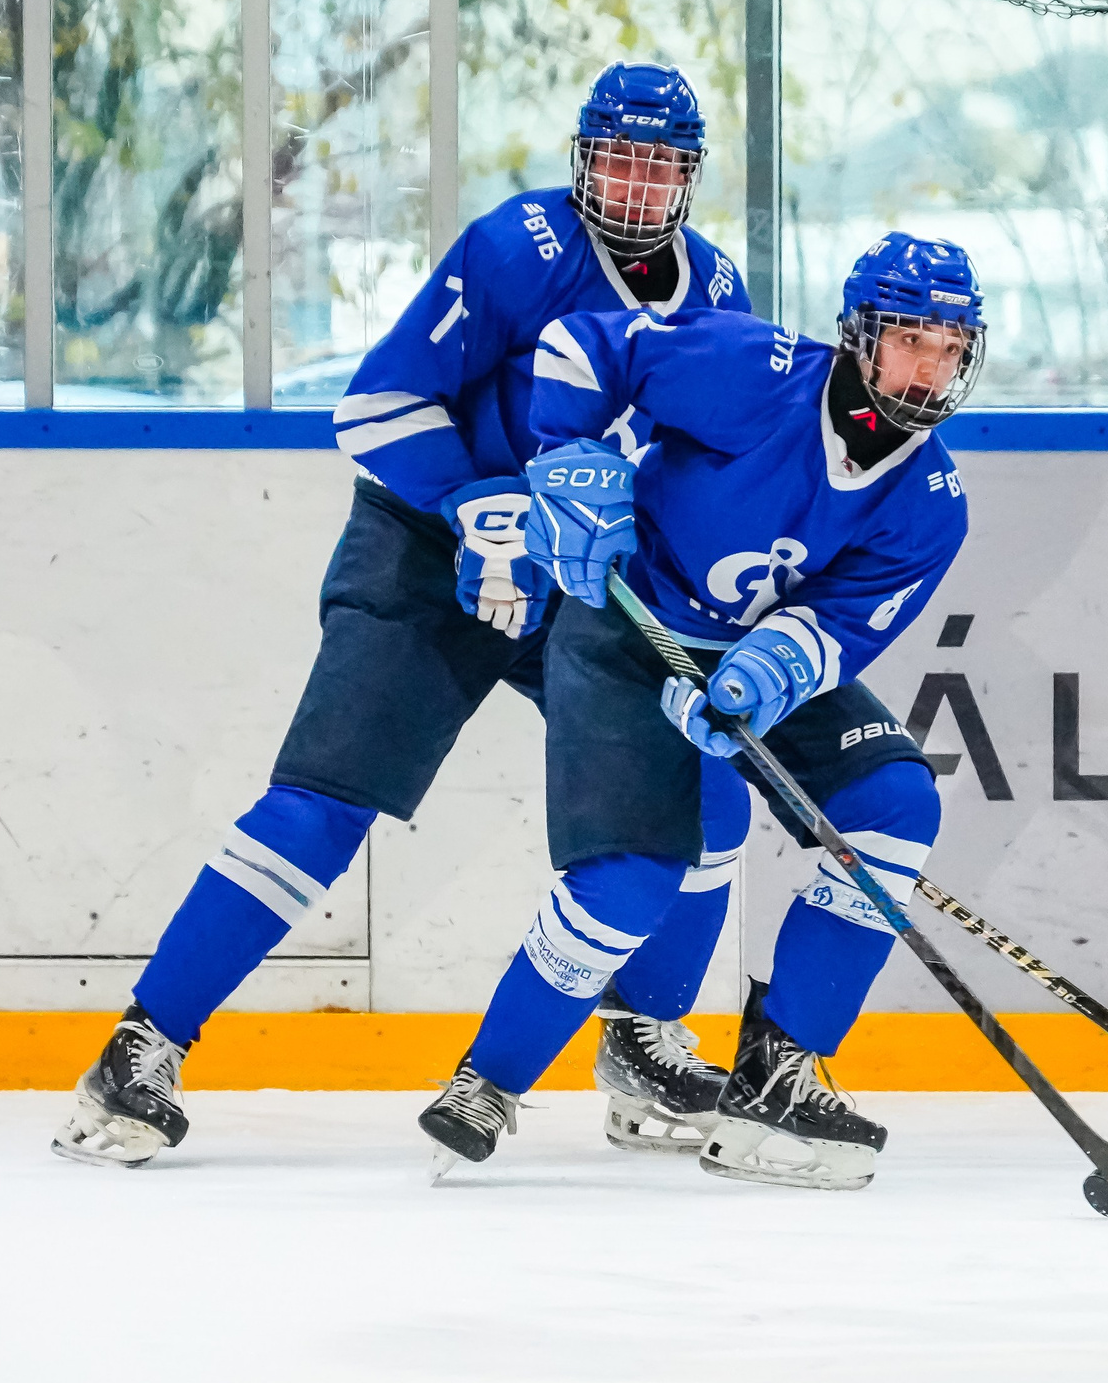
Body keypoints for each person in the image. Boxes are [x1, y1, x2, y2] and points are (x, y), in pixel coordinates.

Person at [53, 63, 756, 1166]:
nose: (635, 183)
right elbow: (377, 403)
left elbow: (707, 461)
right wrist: (475, 503)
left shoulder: (715, 288)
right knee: (322, 805)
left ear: (689, 177)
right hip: (430, 554)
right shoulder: (515, 248)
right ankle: (142, 1048)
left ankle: (643, 1041)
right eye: (618, 156)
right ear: (584, 158)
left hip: (585, 581)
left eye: (660, 164)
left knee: (708, 793)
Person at [416, 233, 985, 1191]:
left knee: (897, 802)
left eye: (950, 347)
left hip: (750, 652)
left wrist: (767, 674)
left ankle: (778, 1071)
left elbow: (841, 624)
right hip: (626, 627)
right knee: (633, 878)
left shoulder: (932, 500)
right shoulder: (754, 373)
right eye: (908, 341)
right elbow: (580, 348)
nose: (929, 368)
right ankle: (489, 1079)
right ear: (857, 335)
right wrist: (573, 456)